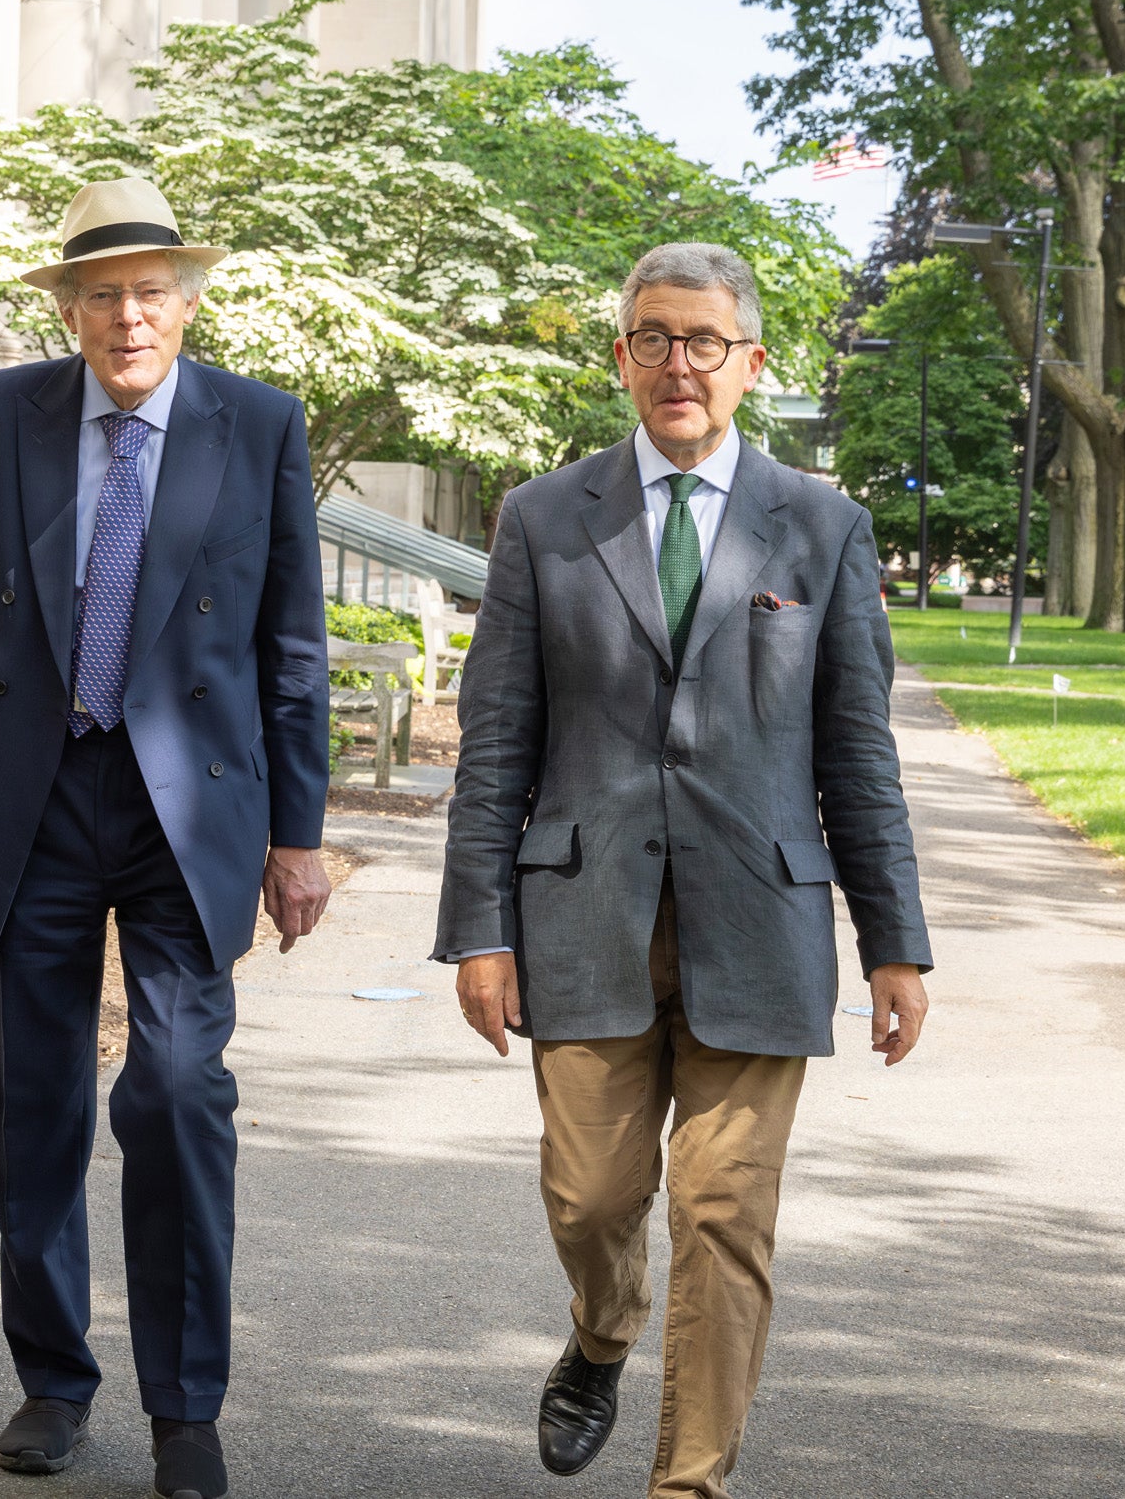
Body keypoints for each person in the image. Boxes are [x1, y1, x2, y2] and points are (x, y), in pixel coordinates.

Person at [434, 242, 932, 1499]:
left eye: (704, 341)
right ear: (621, 358)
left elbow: (856, 750)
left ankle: (689, 1481)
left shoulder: (822, 527)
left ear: (750, 363)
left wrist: (895, 941)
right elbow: (495, 739)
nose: (678, 364)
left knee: (724, 1217)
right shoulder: (545, 518)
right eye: (653, 337)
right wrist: (478, 929)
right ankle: (604, 1328)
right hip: (583, 916)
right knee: (594, 1200)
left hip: (758, 924)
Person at [0, 177, 333, 1499]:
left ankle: (186, 1405)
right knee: (37, 1107)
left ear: (186, 302)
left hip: (189, 813)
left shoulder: (259, 427)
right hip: (30, 803)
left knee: (179, 1091)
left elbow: (289, 653)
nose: (127, 317)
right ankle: (53, 1381)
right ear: (68, 310)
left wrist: (296, 837)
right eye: (101, 296)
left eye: (149, 292)